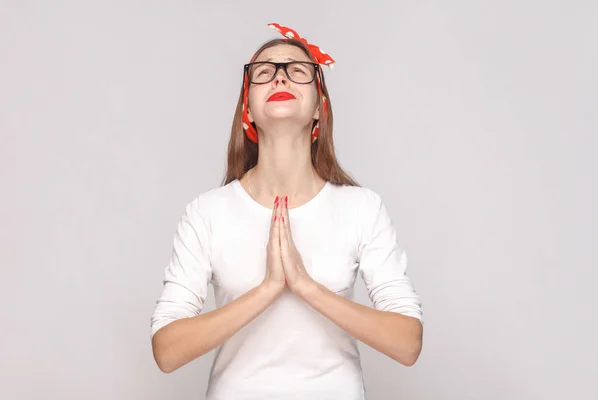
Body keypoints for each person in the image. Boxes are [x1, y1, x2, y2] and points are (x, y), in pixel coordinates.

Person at [150, 23, 423, 400]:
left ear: (318, 108)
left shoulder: (361, 208)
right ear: (248, 109)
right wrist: (268, 289)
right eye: (264, 73)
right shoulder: (207, 213)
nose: (280, 77)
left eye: (297, 71)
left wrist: (306, 287)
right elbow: (166, 350)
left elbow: (407, 343)